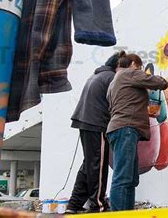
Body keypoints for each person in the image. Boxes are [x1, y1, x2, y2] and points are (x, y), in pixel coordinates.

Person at [66, 51, 125, 214]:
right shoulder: (112, 78)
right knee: (98, 165)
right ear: (118, 65)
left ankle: (74, 204)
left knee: (89, 165)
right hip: (96, 124)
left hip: (85, 122)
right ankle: (98, 204)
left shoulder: (98, 75)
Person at [106, 54, 168, 211]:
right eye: (139, 68)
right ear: (133, 64)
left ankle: (127, 213)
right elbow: (159, 82)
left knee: (130, 178)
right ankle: (119, 215)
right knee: (123, 177)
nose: (140, 71)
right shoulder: (129, 73)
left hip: (119, 129)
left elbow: (123, 105)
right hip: (126, 129)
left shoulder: (114, 83)